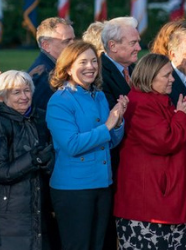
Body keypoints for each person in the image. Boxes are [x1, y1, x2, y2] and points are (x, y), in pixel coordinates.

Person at [46, 41, 128, 250]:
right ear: (68, 67)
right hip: (74, 189)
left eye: (93, 61)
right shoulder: (59, 101)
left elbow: (108, 143)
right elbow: (72, 145)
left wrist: (117, 122)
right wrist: (108, 125)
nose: (90, 67)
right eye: (83, 62)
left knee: (98, 245)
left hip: (102, 184)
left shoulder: (98, 95)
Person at [114, 54, 186, 249]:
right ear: (149, 77)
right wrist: (182, 116)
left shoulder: (160, 100)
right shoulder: (140, 103)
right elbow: (165, 142)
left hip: (168, 202)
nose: (173, 79)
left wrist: (180, 116)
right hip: (149, 207)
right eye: (166, 75)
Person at [0, 70, 54, 250]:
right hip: (8, 215)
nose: (24, 96)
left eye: (27, 90)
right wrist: (34, 158)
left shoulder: (40, 118)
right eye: (17, 92)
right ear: (3, 96)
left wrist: (48, 162)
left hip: (38, 208)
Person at [29, 17, 76, 111]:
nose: (74, 44)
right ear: (46, 46)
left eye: (73, 39)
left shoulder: (53, 67)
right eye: (67, 41)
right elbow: (42, 116)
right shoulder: (44, 75)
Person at [100, 17, 142, 109]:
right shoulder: (99, 73)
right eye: (133, 43)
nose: (139, 48)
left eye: (138, 42)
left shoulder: (137, 70)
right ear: (113, 46)